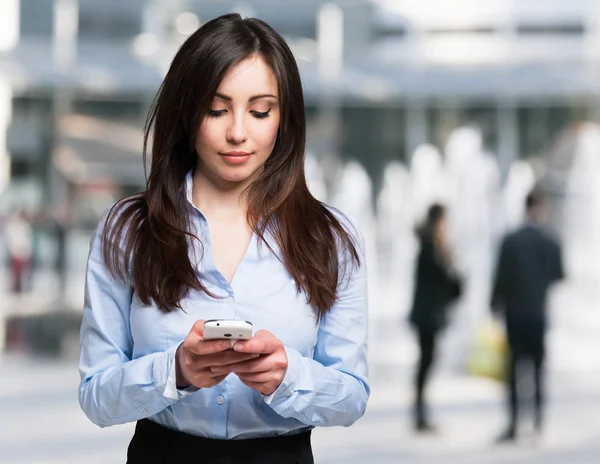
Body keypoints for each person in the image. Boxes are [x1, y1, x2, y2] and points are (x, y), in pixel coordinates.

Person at [78, 13, 369, 464]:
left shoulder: (329, 237)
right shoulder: (128, 230)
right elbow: (96, 395)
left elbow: (352, 396)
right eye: (216, 110)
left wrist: (287, 375)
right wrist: (175, 371)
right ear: (186, 113)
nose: (237, 132)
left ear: (284, 118)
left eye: (259, 111)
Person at [491, 188, 564, 442]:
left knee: (513, 371)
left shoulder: (511, 240)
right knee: (538, 370)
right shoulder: (550, 240)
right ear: (541, 207)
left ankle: (512, 425)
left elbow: (499, 279)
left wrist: (494, 307)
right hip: (538, 314)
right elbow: (559, 275)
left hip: (514, 314)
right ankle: (537, 424)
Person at [408, 203, 461, 432]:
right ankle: (420, 415)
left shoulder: (428, 246)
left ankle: (421, 413)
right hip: (427, 316)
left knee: (426, 362)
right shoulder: (431, 249)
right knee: (426, 362)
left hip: (426, 315)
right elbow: (448, 282)